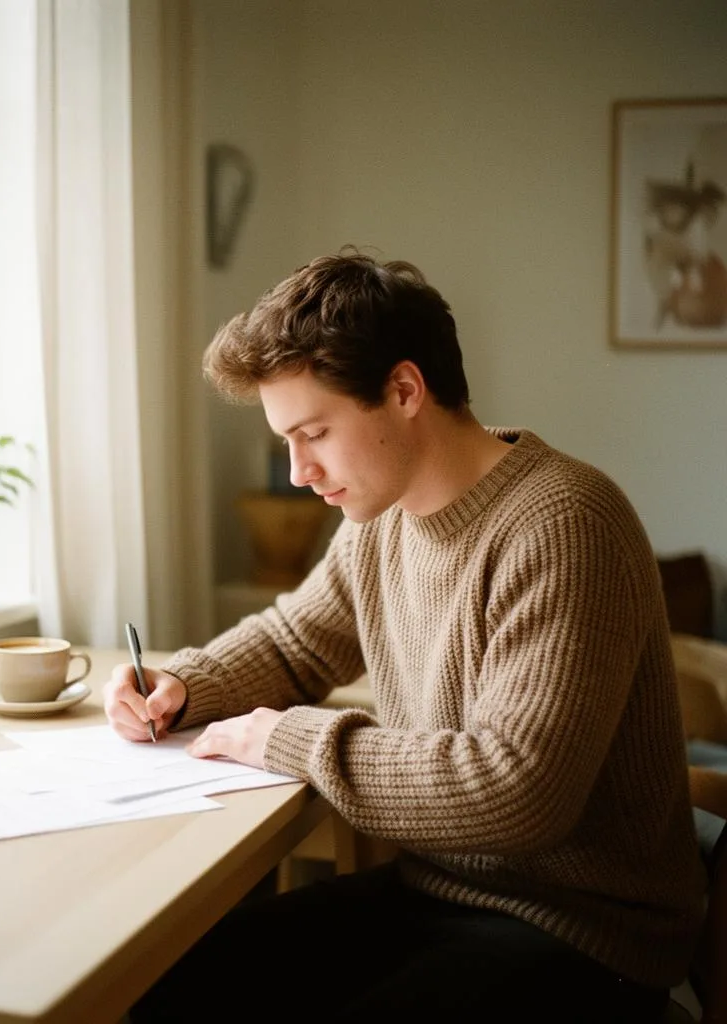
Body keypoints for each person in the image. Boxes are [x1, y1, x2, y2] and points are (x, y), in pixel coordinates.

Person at [102, 248, 706, 1023]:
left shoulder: (565, 524)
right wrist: (184, 684)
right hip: (436, 895)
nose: (296, 471)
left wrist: (290, 740)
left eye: (313, 432)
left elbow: (516, 790)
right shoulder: (380, 521)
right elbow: (296, 643)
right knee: (166, 984)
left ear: (404, 389)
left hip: (584, 935)